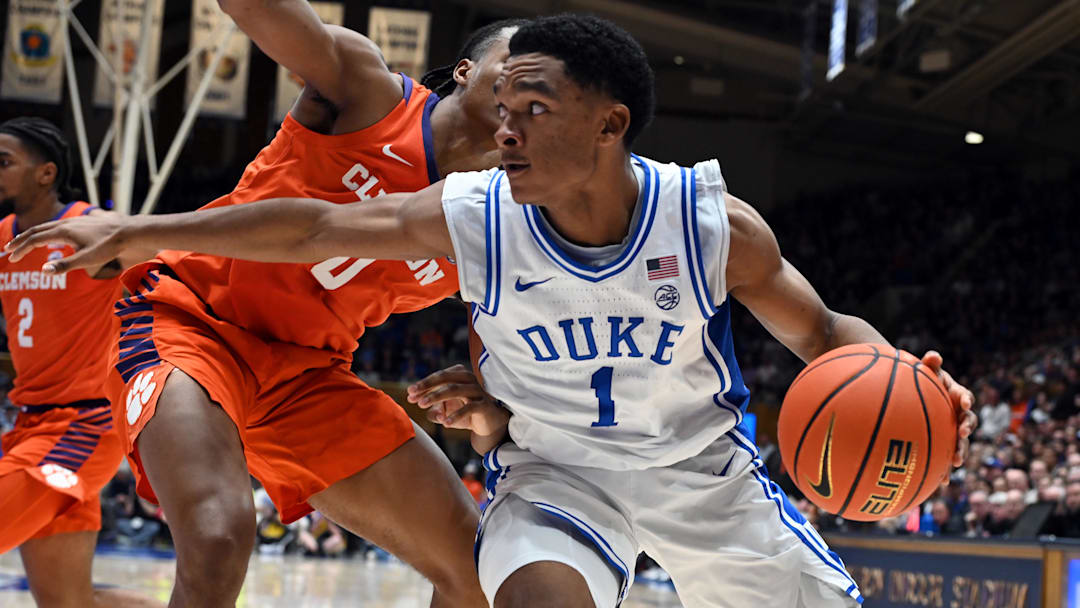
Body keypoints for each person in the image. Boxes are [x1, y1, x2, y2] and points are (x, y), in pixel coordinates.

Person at [8, 14, 978, 608]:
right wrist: (143, 231)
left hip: (691, 472)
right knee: (223, 531)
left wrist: (917, 382)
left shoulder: (704, 220)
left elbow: (829, 335)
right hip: (200, 328)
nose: (509, 124)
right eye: (505, 101)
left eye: (534, 105)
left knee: (466, 572)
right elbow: (314, 224)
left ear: (609, 123)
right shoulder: (443, 180)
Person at [14, 5, 528, 605]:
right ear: (465, 70)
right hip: (189, 320)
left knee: (479, 570)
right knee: (218, 536)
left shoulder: (503, 224)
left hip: (308, 375)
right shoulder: (367, 92)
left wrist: (487, 398)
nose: (527, 93)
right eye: (518, 67)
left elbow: (497, 364)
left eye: (545, 92)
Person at [0, 117, 157, 607]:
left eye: (4, 162)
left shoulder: (92, 229)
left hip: (84, 426)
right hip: (31, 423)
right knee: (68, 603)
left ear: (45, 173)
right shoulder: (4, 235)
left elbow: (174, 258)